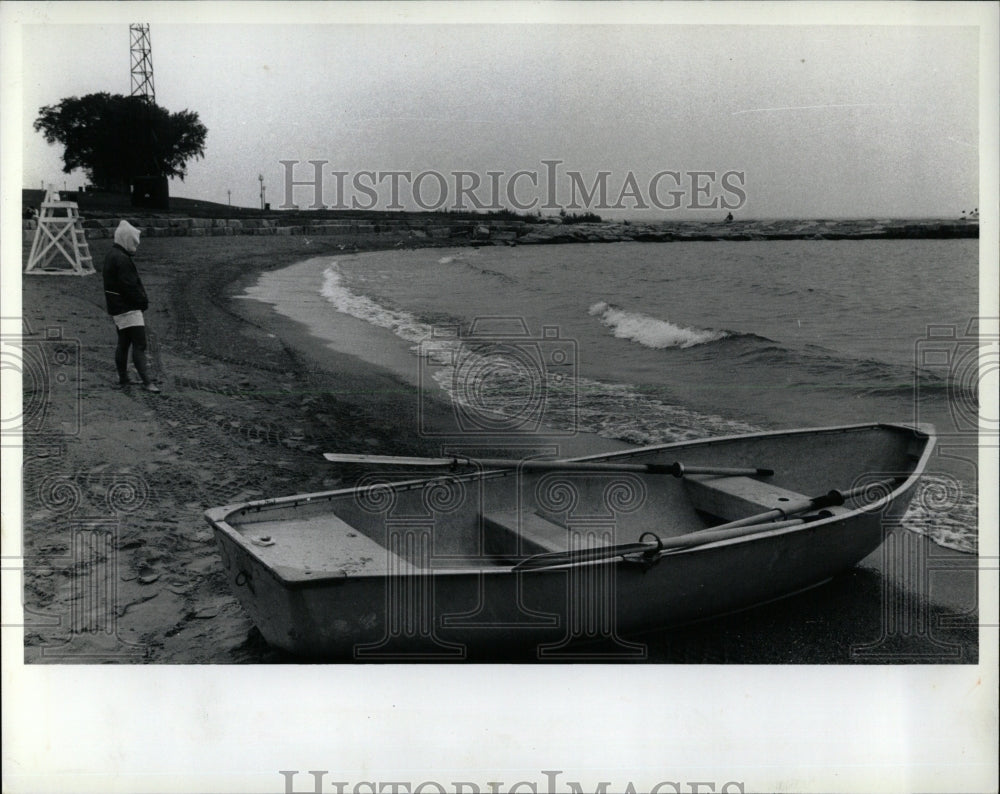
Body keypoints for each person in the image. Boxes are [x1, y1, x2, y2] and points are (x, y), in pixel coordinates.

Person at [103, 220, 160, 392]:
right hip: (128, 308)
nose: (135, 246)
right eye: (133, 242)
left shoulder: (113, 254)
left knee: (124, 342)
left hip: (117, 306)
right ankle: (147, 382)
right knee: (139, 344)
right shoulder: (121, 259)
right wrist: (142, 302)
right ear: (126, 239)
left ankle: (124, 378)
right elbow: (129, 286)